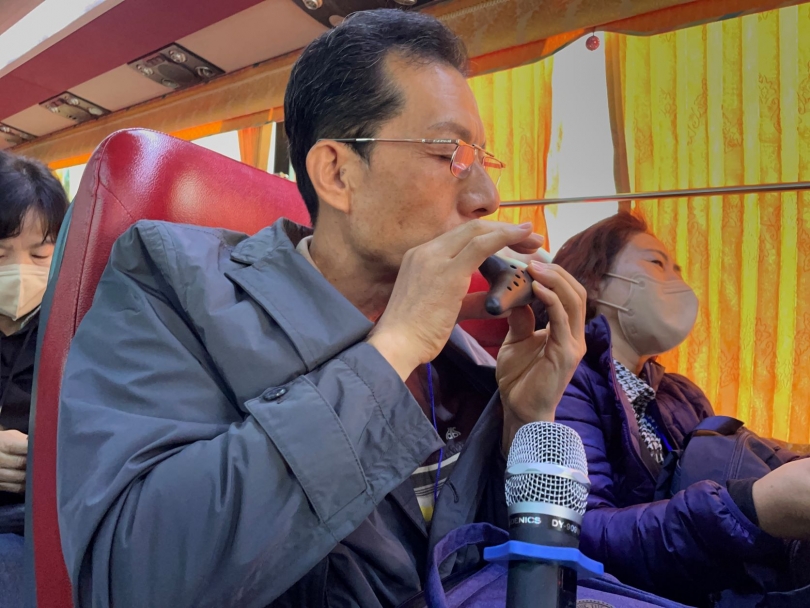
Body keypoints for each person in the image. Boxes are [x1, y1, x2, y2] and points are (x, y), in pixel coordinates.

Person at [57, 10, 587, 608]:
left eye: (482, 160)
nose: (487, 196)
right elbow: (129, 578)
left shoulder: (459, 352)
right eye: (450, 153)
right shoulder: (173, 282)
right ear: (337, 173)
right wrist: (392, 351)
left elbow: (467, 558)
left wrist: (520, 420)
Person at [550, 212, 810, 606]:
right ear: (596, 281)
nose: (678, 282)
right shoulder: (564, 379)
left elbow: (730, 465)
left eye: (679, 270)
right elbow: (578, 532)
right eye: (657, 263)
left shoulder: (680, 392)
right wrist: (748, 509)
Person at [0, 150, 68, 606]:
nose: (19, 271)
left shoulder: (78, 325)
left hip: (43, 523)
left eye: (40, 254)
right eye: (0, 253)